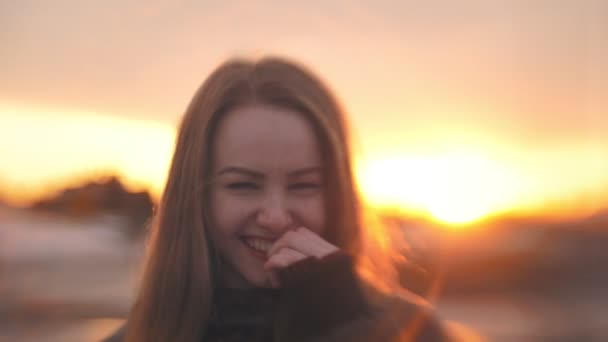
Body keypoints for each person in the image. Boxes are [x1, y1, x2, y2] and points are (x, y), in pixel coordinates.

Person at [104, 57, 448, 341]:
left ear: (337, 194)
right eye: (243, 185)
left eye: (303, 185)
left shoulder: (412, 330)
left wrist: (349, 330)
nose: (276, 217)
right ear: (196, 197)